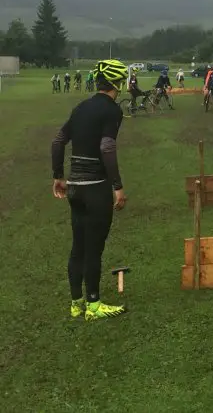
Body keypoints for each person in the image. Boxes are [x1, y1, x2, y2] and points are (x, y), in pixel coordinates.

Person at [51, 59, 129, 321]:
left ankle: (76, 304)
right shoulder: (112, 111)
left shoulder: (81, 107)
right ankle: (93, 306)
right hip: (96, 190)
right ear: (118, 82)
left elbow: (59, 140)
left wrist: (58, 177)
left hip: (74, 189)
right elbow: (107, 148)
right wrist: (117, 187)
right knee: (94, 249)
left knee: (78, 248)